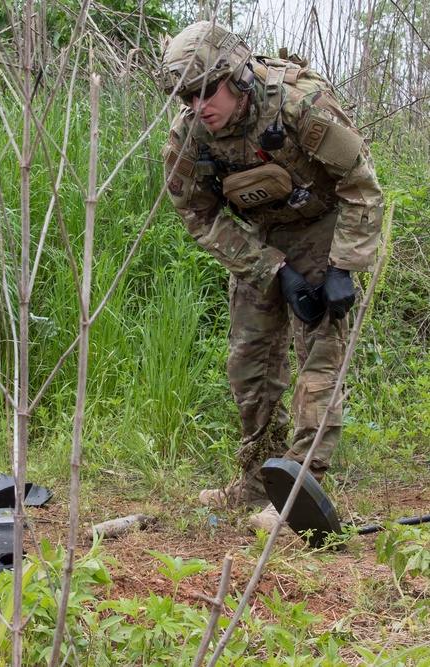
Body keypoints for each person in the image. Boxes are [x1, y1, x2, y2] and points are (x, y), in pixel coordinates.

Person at [156, 21, 384, 531]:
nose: (196, 105)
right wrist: (272, 269)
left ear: (236, 76)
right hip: (261, 241)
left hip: (326, 229)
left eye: (204, 91)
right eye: (185, 95)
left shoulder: (302, 107)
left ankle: (300, 491)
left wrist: (343, 269)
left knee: (319, 359)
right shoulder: (189, 135)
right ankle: (259, 477)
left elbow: (361, 188)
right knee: (250, 362)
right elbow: (197, 214)